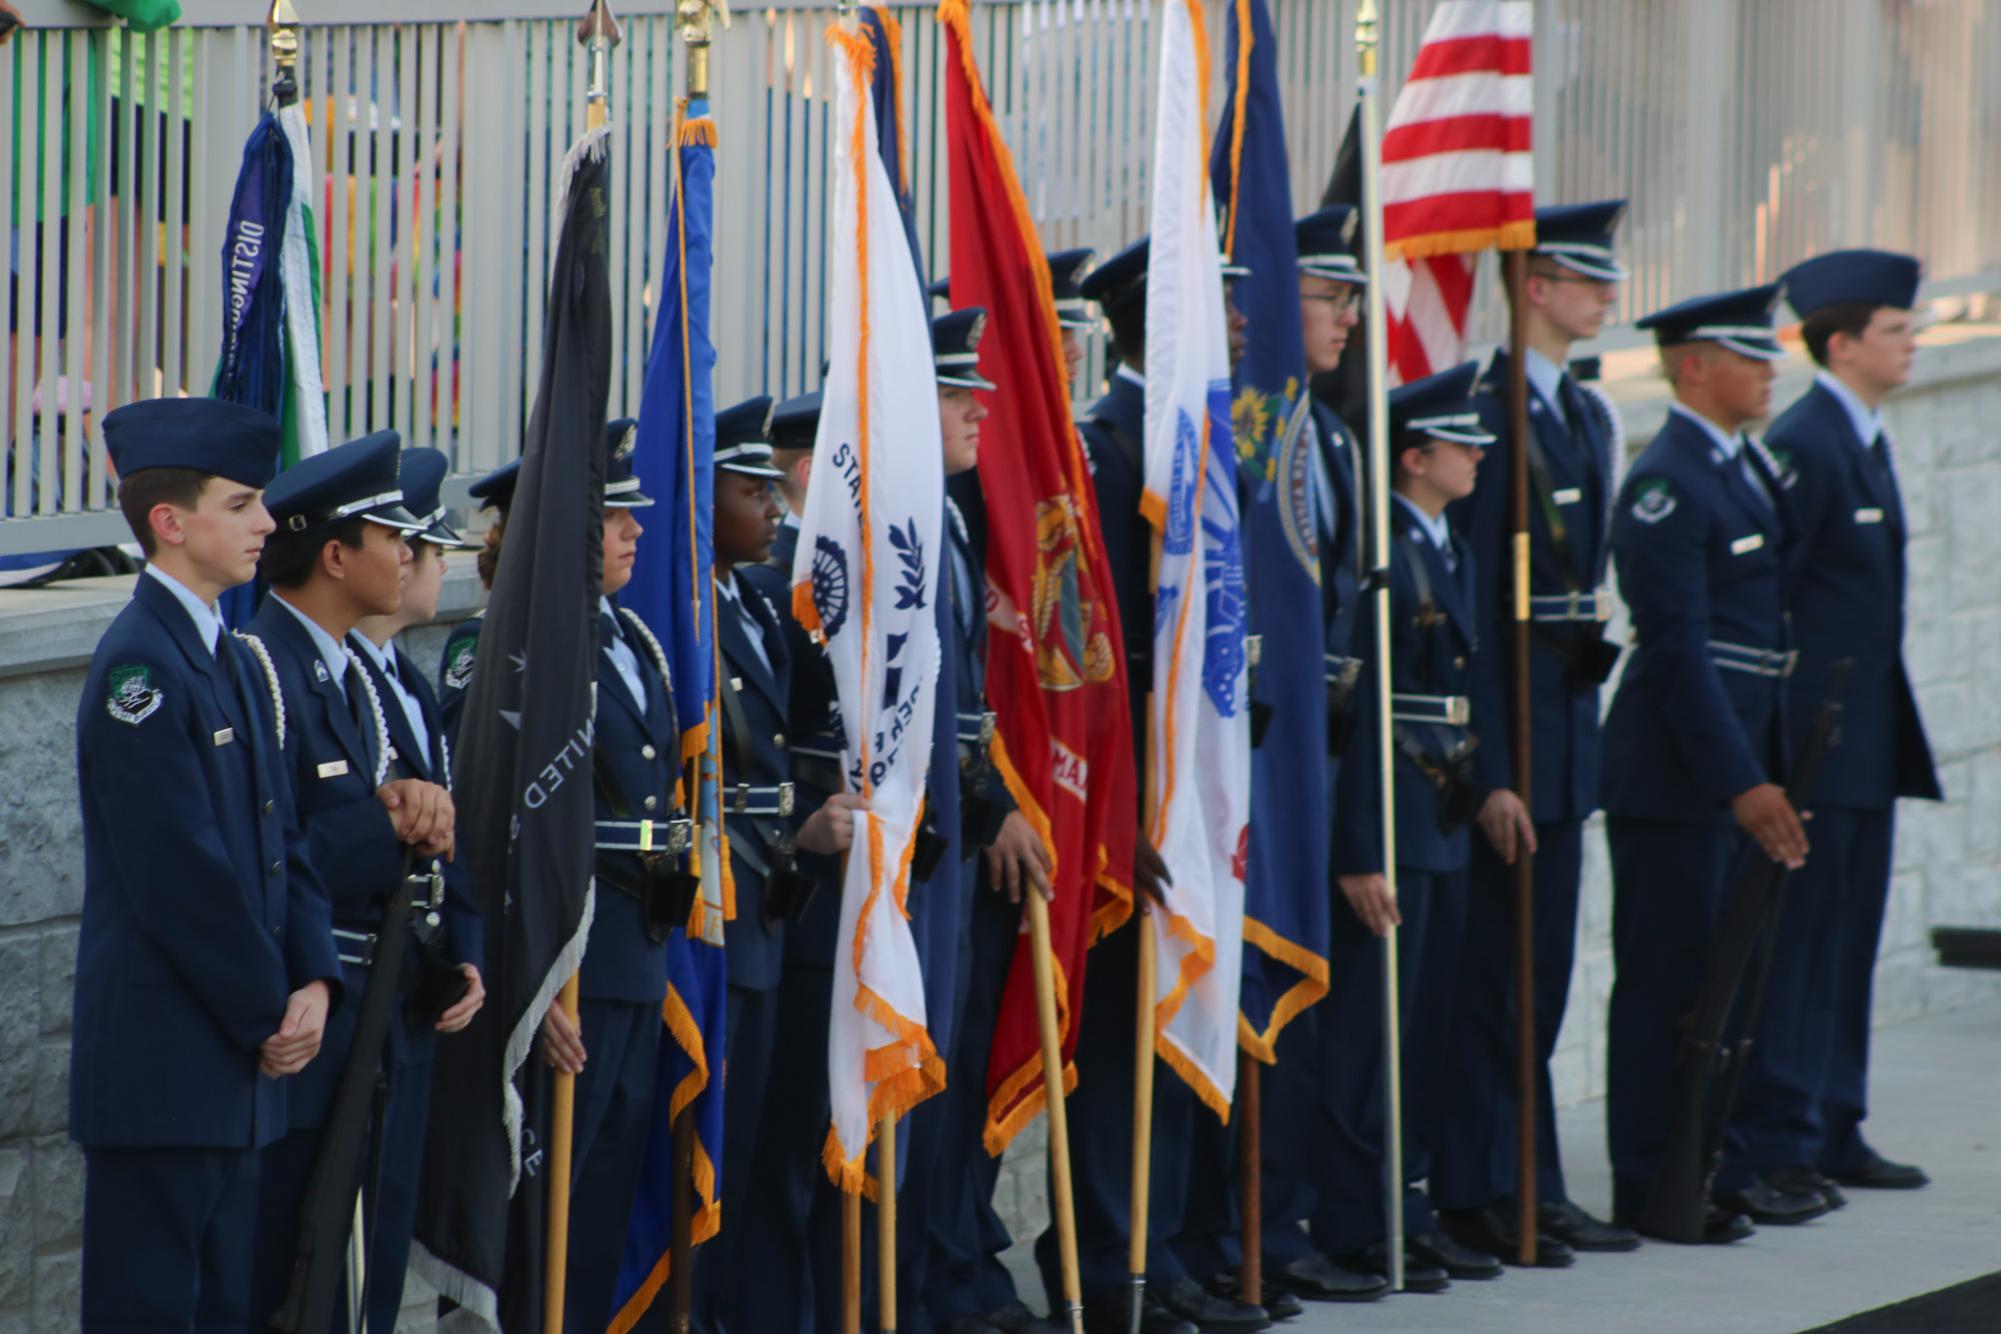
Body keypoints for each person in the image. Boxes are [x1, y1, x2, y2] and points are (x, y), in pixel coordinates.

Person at [70, 397, 340, 1331]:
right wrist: (269, 1009)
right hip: (171, 1072)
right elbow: (176, 874)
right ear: (170, 524)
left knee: (227, 1309)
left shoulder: (229, 654)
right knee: (154, 1311)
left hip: (237, 1067)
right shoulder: (140, 669)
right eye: (242, 504)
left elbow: (282, 834)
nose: (267, 523)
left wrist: (313, 976)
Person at [1055, 237, 1266, 1334]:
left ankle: (1167, 1247)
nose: (1241, 323)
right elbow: (1095, 651)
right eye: (1219, 307)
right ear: (1162, 320)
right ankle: (1107, 1249)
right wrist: (1121, 805)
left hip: (1195, 785)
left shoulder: (1200, 437)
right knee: (1125, 1034)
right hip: (1134, 796)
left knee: (1184, 1005)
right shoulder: (1108, 448)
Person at [1433, 201, 1641, 1262]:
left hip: (1566, 725)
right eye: (1583, 275)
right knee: (1493, 974)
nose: (1606, 293)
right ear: (1532, 285)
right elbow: (1470, 608)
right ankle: (1476, 1183)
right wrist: (1494, 767)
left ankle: (1534, 1176)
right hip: (1511, 734)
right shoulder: (1491, 407)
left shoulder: (1577, 412)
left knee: (1545, 970)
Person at [920, 254, 1118, 1334]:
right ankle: (927, 1278)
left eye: (983, 393)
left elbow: (983, 707)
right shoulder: (916, 514)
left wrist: (1006, 798)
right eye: (962, 393)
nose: (983, 410)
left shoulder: (962, 512)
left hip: (979, 819)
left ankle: (958, 1263)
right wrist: (990, 804)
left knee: (963, 1074)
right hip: (927, 845)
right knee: (928, 1073)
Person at [1602, 283, 1817, 1241]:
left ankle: (1704, 1162)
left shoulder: (1741, 466)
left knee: (1726, 982)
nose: (1769, 371)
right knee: (1667, 982)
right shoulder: (1667, 479)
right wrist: (1740, 780)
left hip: (1738, 759)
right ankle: (1653, 1180)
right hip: (1681, 775)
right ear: (1694, 365)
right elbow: (1679, 648)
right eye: (1748, 354)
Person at [1731, 250, 1939, 1200]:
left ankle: (1834, 1122)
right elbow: (1777, 597)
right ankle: (1783, 1132)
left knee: (1848, 938)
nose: (1912, 344)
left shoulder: (1859, 436)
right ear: (1842, 342)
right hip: (1815, 746)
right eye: (1895, 330)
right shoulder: (1809, 442)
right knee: (1804, 943)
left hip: (1863, 740)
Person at [244, 429, 459, 1323]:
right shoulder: (266, 666)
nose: (408, 553)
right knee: (299, 1268)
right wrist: (388, 823)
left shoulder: (360, 675)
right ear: (334, 556)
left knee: (366, 1262)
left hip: (390, 996)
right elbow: (271, 850)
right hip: (320, 1001)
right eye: (389, 536)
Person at [1307, 361, 1503, 1295]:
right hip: (1390, 817)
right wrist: (1358, 851)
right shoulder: (1385, 551)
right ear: (1414, 456)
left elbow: (1465, 692)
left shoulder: (1447, 540)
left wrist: (1491, 785)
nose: (1476, 459)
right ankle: (1355, 1218)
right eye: (1462, 446)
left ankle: (1403, 1207)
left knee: (1419, 1030)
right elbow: (1362, 712)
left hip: (1442, 815)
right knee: (1367, 1038)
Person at [693, 402, 865, 1333]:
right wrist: (797, 831)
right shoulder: (682, 616)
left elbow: (797, 747)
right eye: (747, 487)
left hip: (770, 916)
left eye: (770, 484)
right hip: (726, 911)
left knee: (771, 1147)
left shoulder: (757, 601)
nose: (770, 504)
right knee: (722, 1154)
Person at [1255, 204, 1392, 1307]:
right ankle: (1244, 1224)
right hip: (1256, 768)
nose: (1351, 316)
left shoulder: (1333, 435)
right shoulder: (1254, 431)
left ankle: (1282, 1218)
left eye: (1352, 296)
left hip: (1328, 759)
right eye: (1329, 294)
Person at [344, 445, 488, 1331]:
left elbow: (450, 843)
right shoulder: (344, 678)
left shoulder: (404, 674)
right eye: (422, 547)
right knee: (338, 1242)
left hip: (411, 984)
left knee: (384, 1236)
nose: (424, 565)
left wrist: (463, 954)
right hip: (358, 987)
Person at [436, 456, 519, 736]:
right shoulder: (482, 639)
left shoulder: (622, 630)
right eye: (607, 518)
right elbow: (466, 751)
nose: (635, 531)